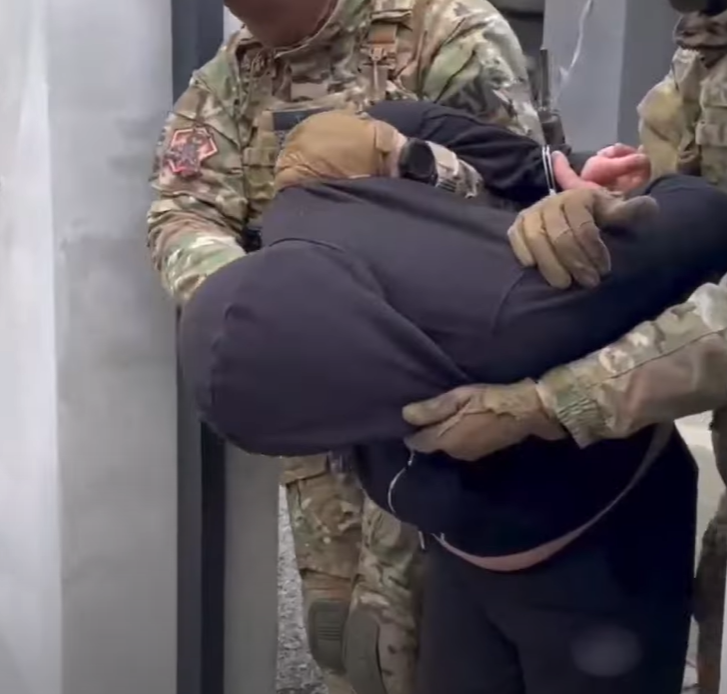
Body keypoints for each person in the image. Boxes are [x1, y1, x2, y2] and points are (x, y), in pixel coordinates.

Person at [177, 103, 727, 693]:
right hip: (534, 550)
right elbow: (705, 215)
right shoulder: (506, 293)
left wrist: (558, 175)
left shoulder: (290, 241)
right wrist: (581, 185)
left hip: (560, 545)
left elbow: (390, 122)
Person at [145, 1, 565, 691]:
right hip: (319, 404)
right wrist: (258, 307)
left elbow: (521, 203)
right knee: (346, 639)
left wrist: (405, 164)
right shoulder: (228, 80)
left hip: (444, 416)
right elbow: (183, 209)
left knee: (438, 642)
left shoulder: (446, 34)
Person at [398, 2, 727, 691]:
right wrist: (607, 206)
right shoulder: (712, 34)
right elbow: (687, 209)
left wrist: (551, 403)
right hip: (726, 437)